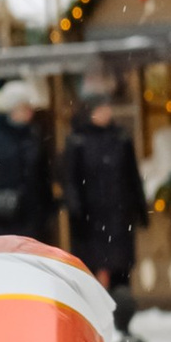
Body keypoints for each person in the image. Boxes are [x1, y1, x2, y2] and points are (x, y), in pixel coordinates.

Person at [60, 76, 147, 295]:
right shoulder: (78, 141)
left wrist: (139, 208)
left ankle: (123, 314)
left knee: (121, 267)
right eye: (102, 108)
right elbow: (70, 178)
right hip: (91, 217)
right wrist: (76, 208)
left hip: (118, 212)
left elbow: (131, 175)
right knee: (92, 268)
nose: (106, 113)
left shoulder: (120, 138)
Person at [0, 77, 58, 241]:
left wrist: (48, 208)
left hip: (30, 217)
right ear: (11, 109)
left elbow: (43, 175)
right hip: (0, 216)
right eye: (24, 107)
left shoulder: (34, 136)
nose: (29, 113)